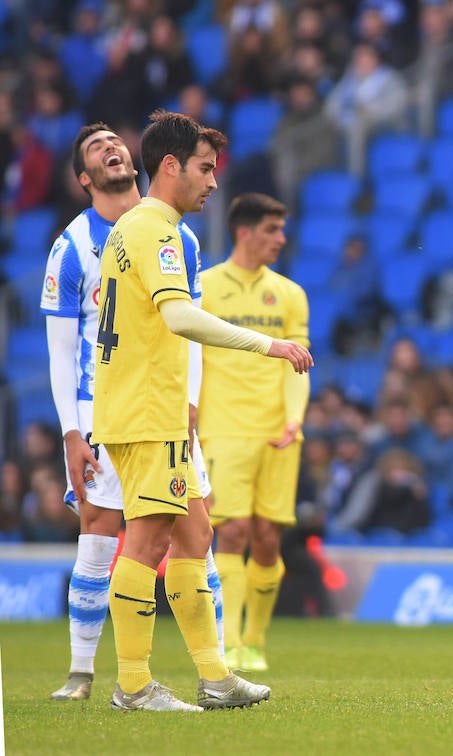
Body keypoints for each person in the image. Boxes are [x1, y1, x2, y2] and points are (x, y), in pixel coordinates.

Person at [90, 110, 311, 711]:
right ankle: (133, 685)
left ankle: (216, 677)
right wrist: (269, 344)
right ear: (170, 166)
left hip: (149, 406)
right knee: (146, 542)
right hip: (145, 408)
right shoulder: (156, 231)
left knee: (195, 533)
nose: (214, 182)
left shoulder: (133, 228)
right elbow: (179, 316)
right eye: (205, 169)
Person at [41, 122, 222, 702]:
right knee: (102, 530)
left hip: (165, 402)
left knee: (196, 528)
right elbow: (61, 351)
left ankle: (216, 668)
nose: (112, 148)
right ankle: (83, 672)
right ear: (83, 178)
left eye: (115, 141)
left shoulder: (178, 235)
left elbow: (189, 330)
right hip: (103, 406)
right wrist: (71, 431)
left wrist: (191, 400)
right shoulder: (72, 247)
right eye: (96, 148)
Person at [199, 192, 310, 674]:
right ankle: (228, 643)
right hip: (223, 428)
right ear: (243, 232)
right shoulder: (204, 287)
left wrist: (294, 417)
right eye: (272, 230)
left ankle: (255, 642)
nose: (281, 239)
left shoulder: (290, 294)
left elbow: (298, 364)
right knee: (232, 531)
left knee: (267, 537)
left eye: (282, 230)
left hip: (277, 430)